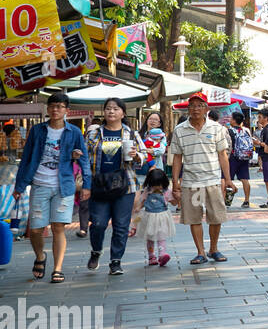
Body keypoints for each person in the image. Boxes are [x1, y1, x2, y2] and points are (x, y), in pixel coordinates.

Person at [13, 91, 86, 283]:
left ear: (66, 111)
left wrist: (86, 183)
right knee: (36, 229)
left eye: (60, 107)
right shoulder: (37, 131)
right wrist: (19, 186)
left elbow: (84, 158)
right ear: (48, 109)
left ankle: (58, 268)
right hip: (39, 184)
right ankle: (40, 256)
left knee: (58, 227)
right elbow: (27, 158)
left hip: (64, 186)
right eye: (53, 106)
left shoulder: (74, 132)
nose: (56, 110)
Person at [83, 97, 148, 276]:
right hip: (100, 185)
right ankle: (96, 251)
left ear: (123, 113)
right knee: (97, 224)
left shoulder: (131, 134)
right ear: (103, 112)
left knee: (121, 226)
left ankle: (115, 261)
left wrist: (137, 157)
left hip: (124, 185)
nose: (111, 112)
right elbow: (84, 158)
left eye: (115, 109)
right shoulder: (93, 134)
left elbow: (143, 156)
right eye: (108, 108)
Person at [169, 93, 236, 265]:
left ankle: (213, 248)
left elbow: (223, 155)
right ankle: (200, 252)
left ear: (206, 108)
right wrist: (175, 182)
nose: (196, 109)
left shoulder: (217, 128)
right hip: (191, 182)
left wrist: (227, 179)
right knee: (194, 218)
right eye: (192, 105)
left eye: (200, 105)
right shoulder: (179, 130)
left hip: (213, 180)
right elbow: (177, 157)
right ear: (188, 108)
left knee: (216, 217)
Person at [132, 168, 174, 267]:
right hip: (149, 217)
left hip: (162, 218)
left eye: (159, 185)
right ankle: (151, 256)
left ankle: (162, 255)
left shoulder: (166, 192)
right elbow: (143, 201)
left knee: (161, 236)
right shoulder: (148, 191)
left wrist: (177, 198)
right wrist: (138, 208)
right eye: (154, 185)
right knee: (150, 237)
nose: (157, 187)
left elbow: (173, 201)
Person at [227, 110, 255, 208]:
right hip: (245, 157)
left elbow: (228, 145)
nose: (230, 119)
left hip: (233, 157)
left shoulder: (229, 131)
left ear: (234, 120)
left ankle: (227, 200)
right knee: (245, 179)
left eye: (231, 118)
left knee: (228, 179)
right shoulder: (246, 130)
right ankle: (247, 200)